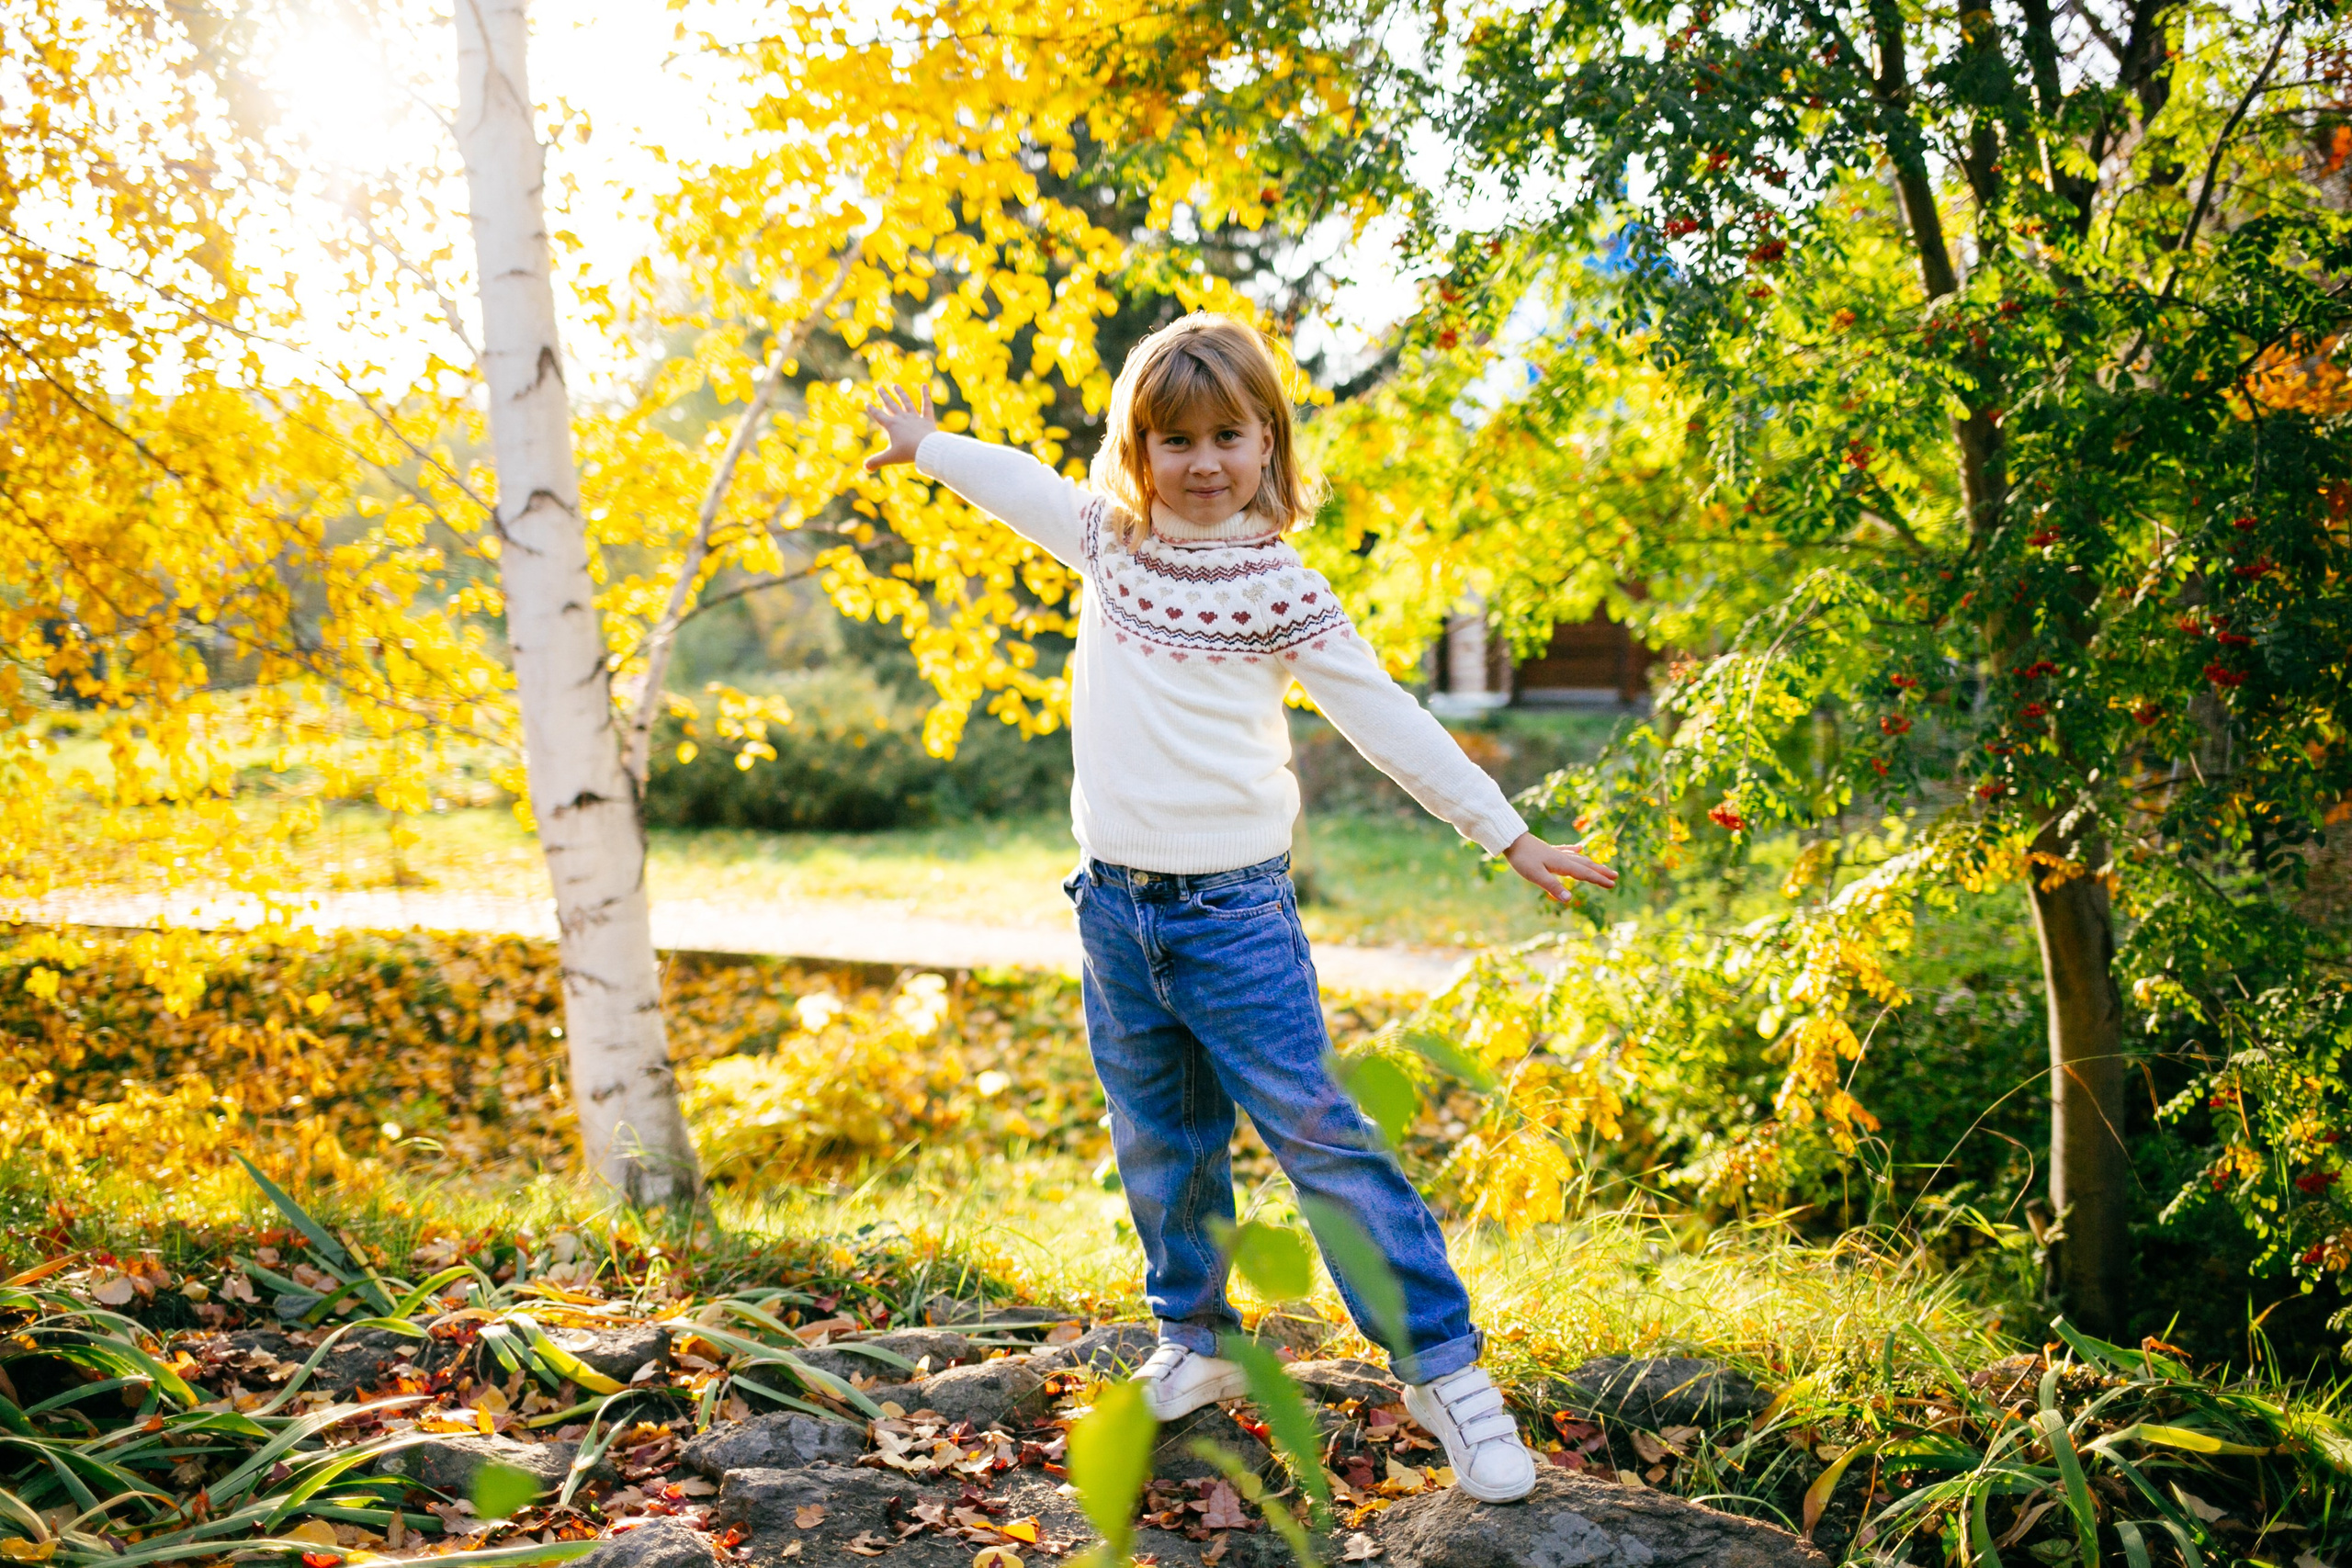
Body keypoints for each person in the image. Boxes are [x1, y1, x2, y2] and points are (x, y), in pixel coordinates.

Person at [863, 312, 1615, 1504]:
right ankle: (1197, 1340)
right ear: (1137, 451)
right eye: (1176, 441)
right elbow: (1019, 485)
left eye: (1230, 435)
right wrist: (930, 448)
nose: (1204, 463)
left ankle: (1445, 1372)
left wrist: (1503, 831)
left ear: (1270, 442)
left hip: (1235, 918)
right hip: (1112, 911)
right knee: (1161, 1140)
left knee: (1322, 1141)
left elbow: (1386, 717)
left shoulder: (1282, 587)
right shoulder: (1108, 542)